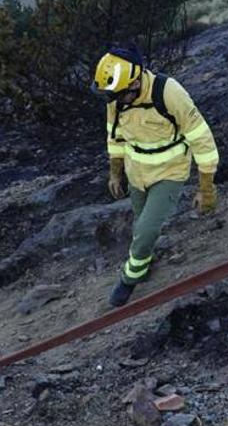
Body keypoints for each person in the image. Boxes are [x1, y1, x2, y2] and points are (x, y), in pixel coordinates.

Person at [94, 45, 220, 307]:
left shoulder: (169, 92)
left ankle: (128, 280)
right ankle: (145, 261)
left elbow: (202, 140)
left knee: (146, 229)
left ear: (136, 82)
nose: (116, 101)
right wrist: (115, 174)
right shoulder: (116, 99)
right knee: (141, 227)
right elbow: (114, 138)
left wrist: (206, 187)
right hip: (136, 172)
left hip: (170, 171)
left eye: (120, 95)